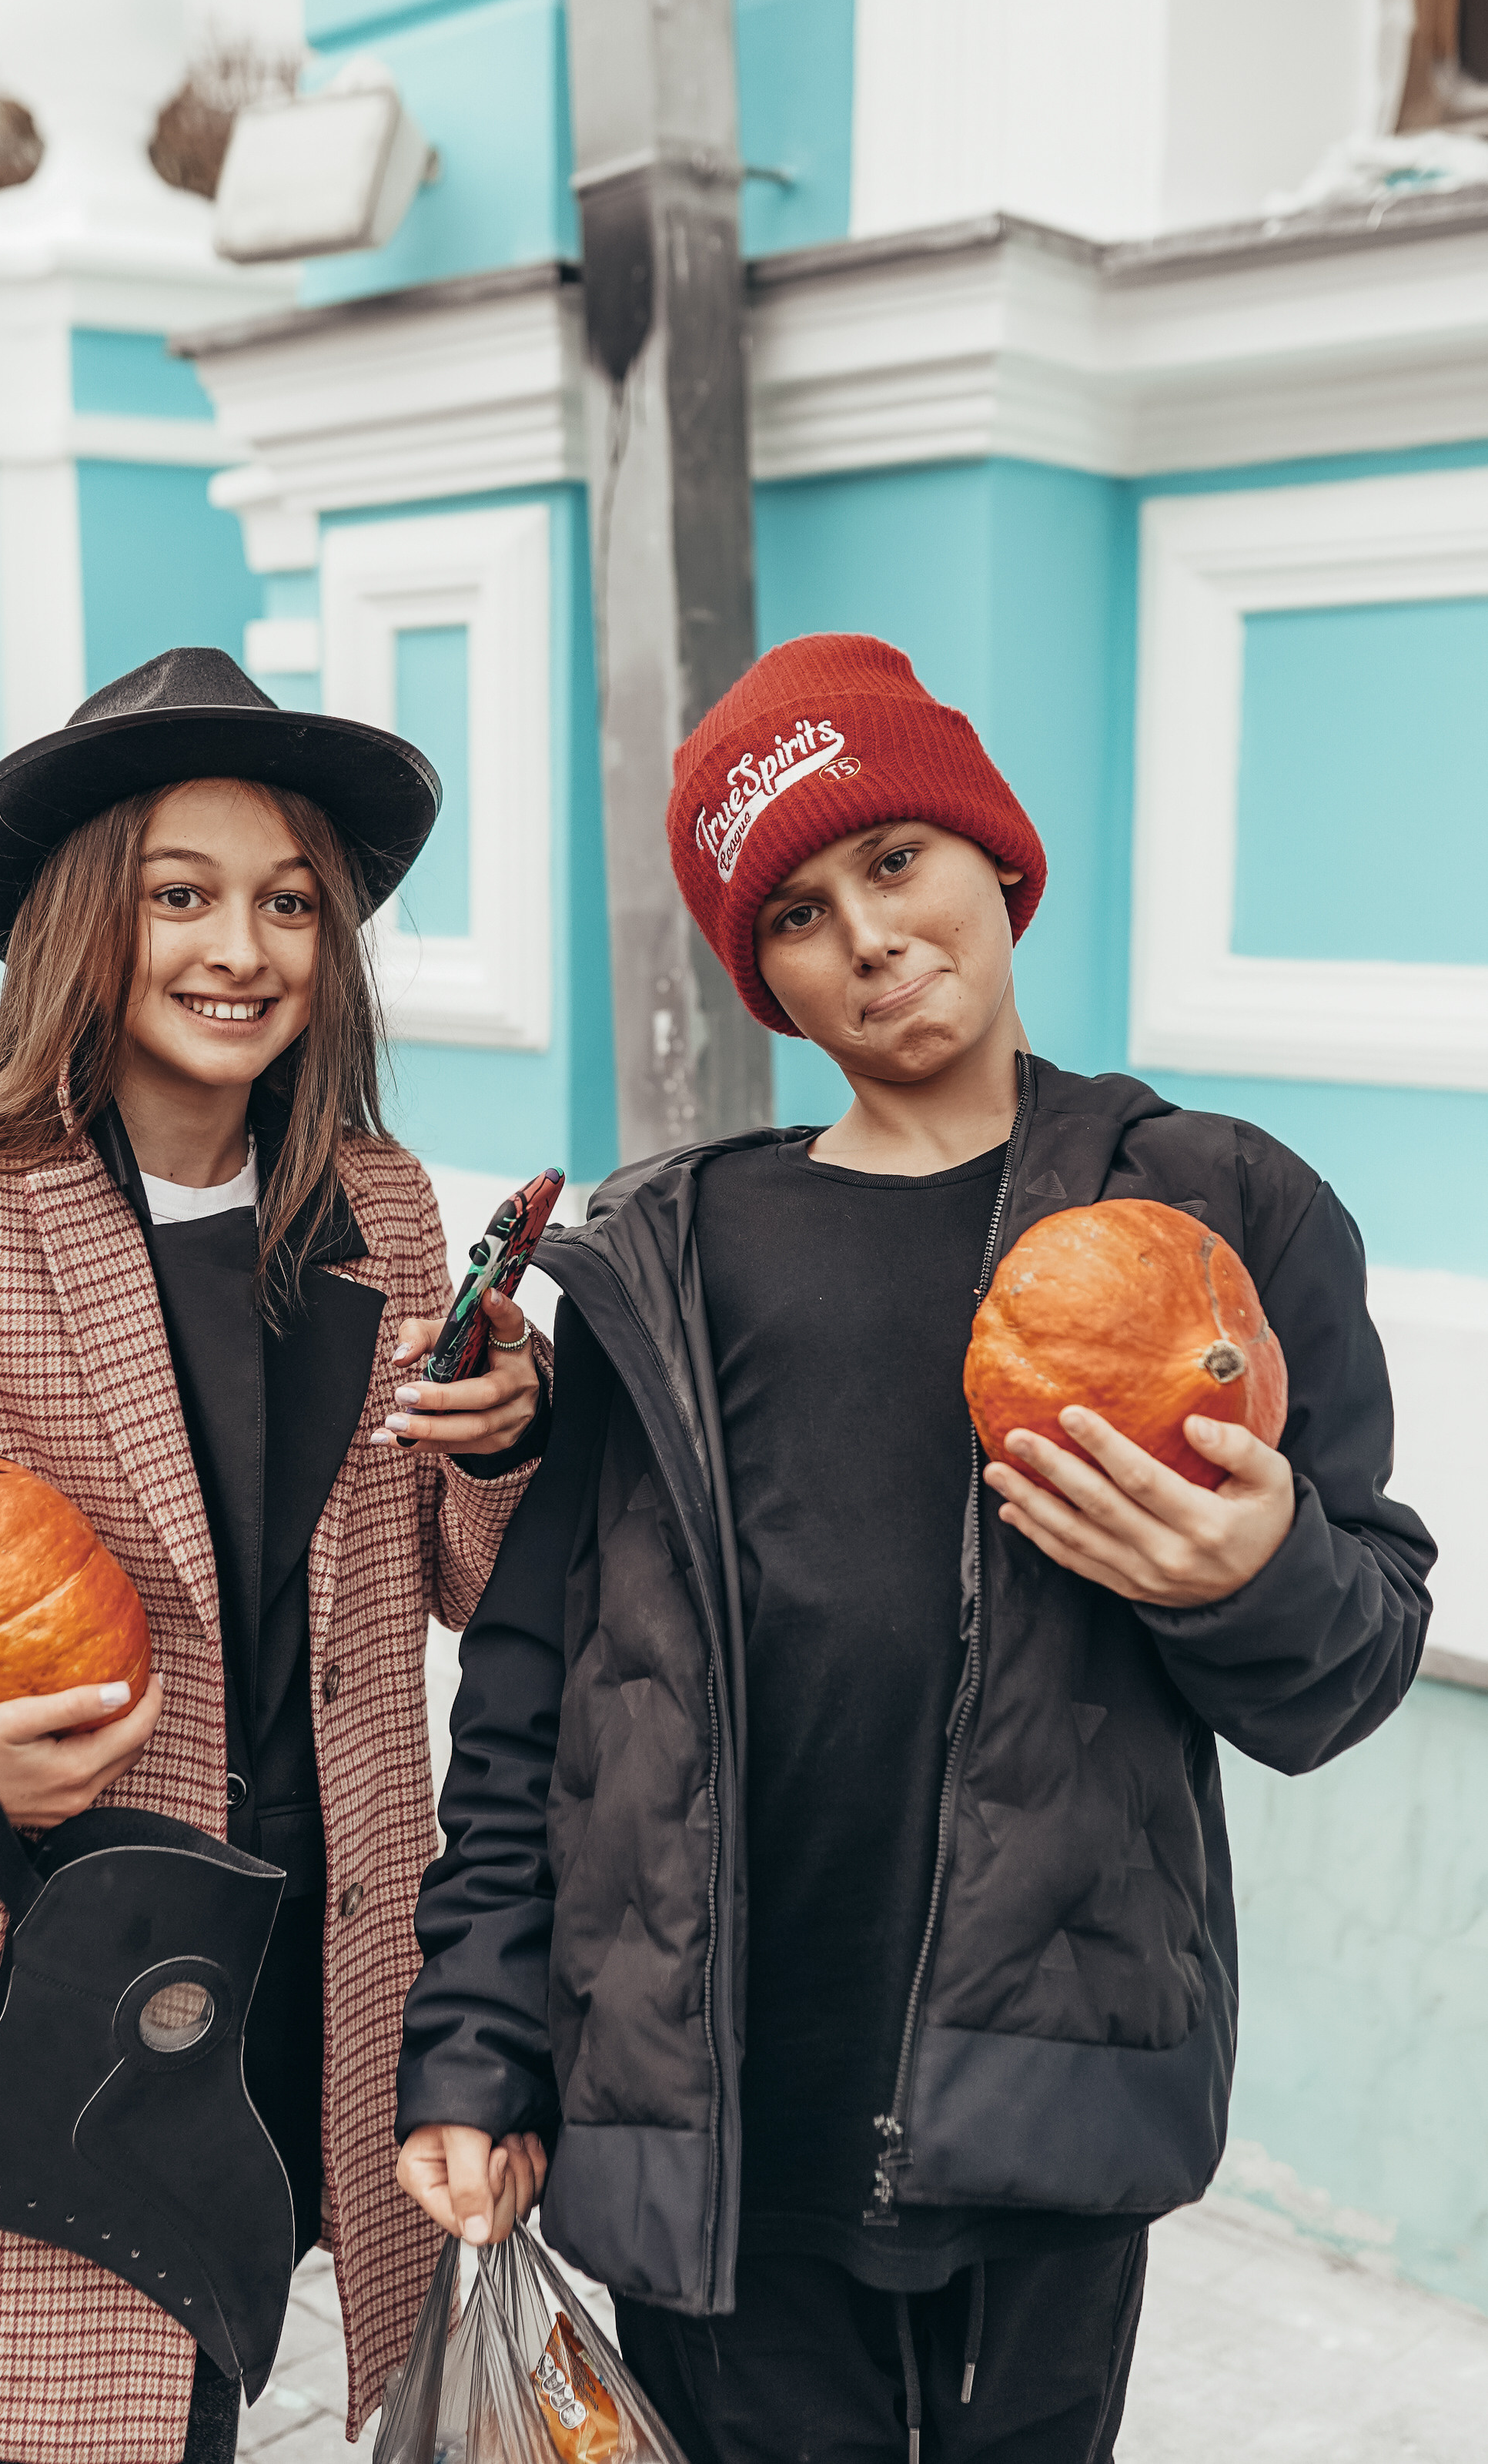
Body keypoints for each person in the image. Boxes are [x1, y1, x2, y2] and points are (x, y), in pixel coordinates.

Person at [392, 632, 1435, 2464]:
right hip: (710, 2124)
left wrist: (1249, 1570)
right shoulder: (669, 1257)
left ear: (994, 857)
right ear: (765, 977)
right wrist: (476, 2035)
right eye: (796, 914)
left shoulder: (1215, 1206)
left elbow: (1345, 1666)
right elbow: (538, 1693)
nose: (867, 936)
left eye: (894, 860)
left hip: (1045, 2117)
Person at [0, 648, 551, 2464]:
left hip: (295, 2011)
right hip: (16, 2035)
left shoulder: (375, 1204)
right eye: (181, 894)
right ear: (88, 918)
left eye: (288, 901)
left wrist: (502, 1432)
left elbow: (463, 1578)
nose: (243, 947)